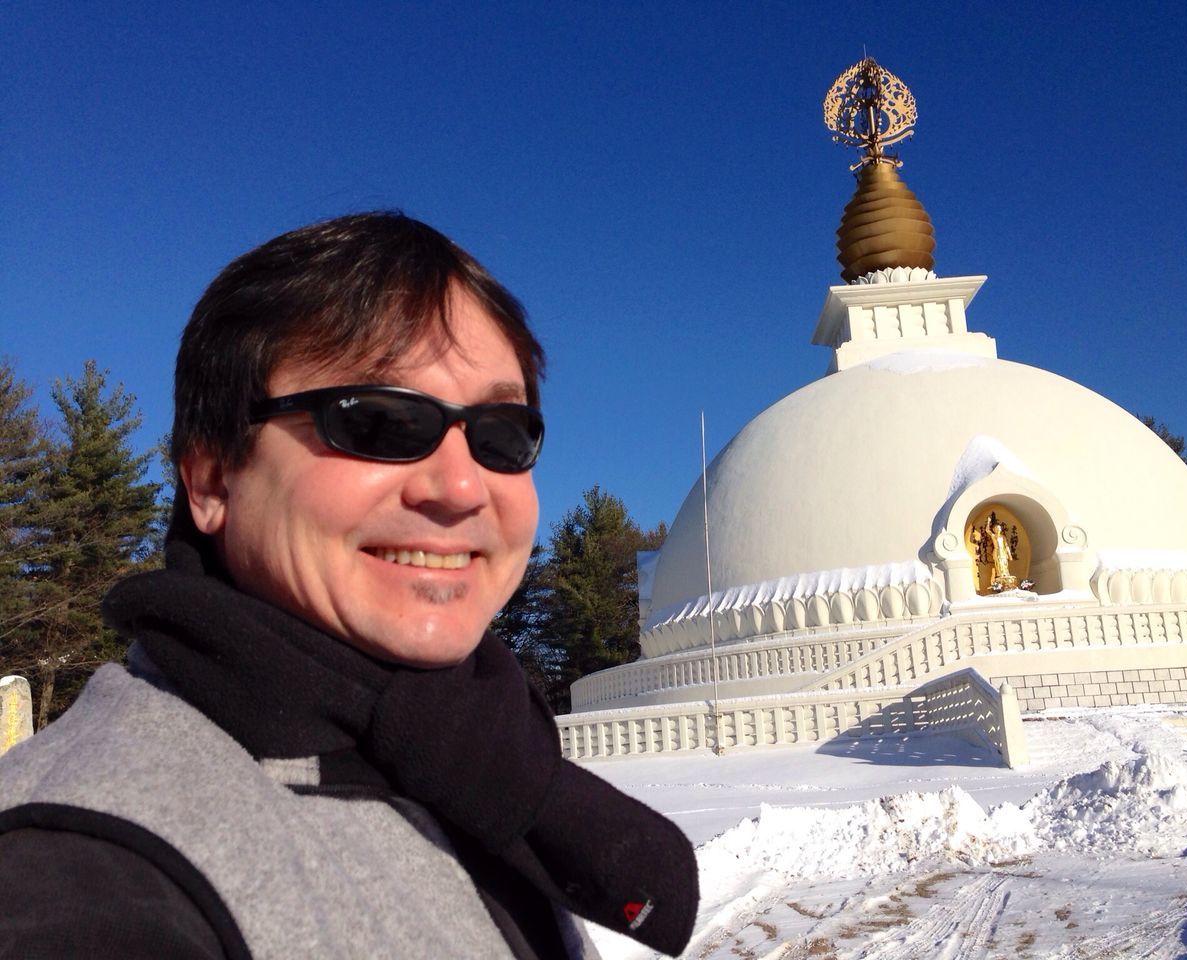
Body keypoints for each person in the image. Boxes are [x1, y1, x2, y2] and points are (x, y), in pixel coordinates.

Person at [0, 213, 698, 959]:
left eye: (501, 435)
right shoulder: (87, 869)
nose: (462, 487)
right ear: (209, 479)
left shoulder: (476, 766)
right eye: (377, 420)